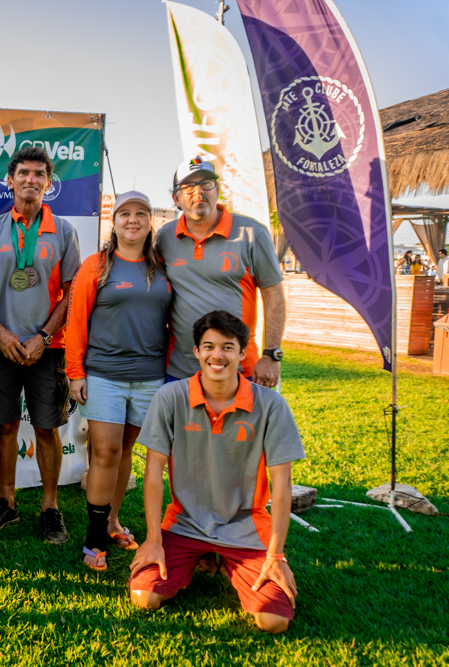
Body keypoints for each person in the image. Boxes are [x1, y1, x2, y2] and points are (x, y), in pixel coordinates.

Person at [128, 311, 305, 634]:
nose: (217, 355)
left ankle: (227, 561)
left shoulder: (271, 406)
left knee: (274, 620)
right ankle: (201, 555)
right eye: (208, 346)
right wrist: (153, 540)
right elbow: (153, 471)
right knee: (144, 597)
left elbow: (282, 485)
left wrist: (276, 553)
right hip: (185, 523)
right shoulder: (171, 397)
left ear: (242, 352)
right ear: (196, 352)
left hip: (246, 527)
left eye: (227, 347)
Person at [0, 146, 81, 544]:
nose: (31, 180)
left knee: (47, 428)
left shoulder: (65, 232)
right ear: (10, 180)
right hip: (1, 346)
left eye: (39, 174)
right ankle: (8, 503)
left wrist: (45, 337)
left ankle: (50, 507)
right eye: (23, 173)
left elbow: (72, 295)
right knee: (5, 426)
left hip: (47, 349)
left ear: (48, 184)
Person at [65, 191, 172, 571]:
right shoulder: (97, 265)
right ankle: (94, 539)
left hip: (150, 378)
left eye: (140, 213)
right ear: (113, 222)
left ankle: (112, 521)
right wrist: (75, 372)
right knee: (105, 452)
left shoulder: (162, 268)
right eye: (124, 213)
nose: (132, 220)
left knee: (126, 452)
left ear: (149, 221)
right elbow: (75, 322)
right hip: (105, 375)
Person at [156, 157, 286, 387]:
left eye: (206, 183)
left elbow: (274, 296)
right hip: (180, 372)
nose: (199, 192)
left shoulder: (251, 233)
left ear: (218, 190)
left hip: (238, 371)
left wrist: (272, 354)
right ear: (176, 199)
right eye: (188, 186)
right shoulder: (165, 237)